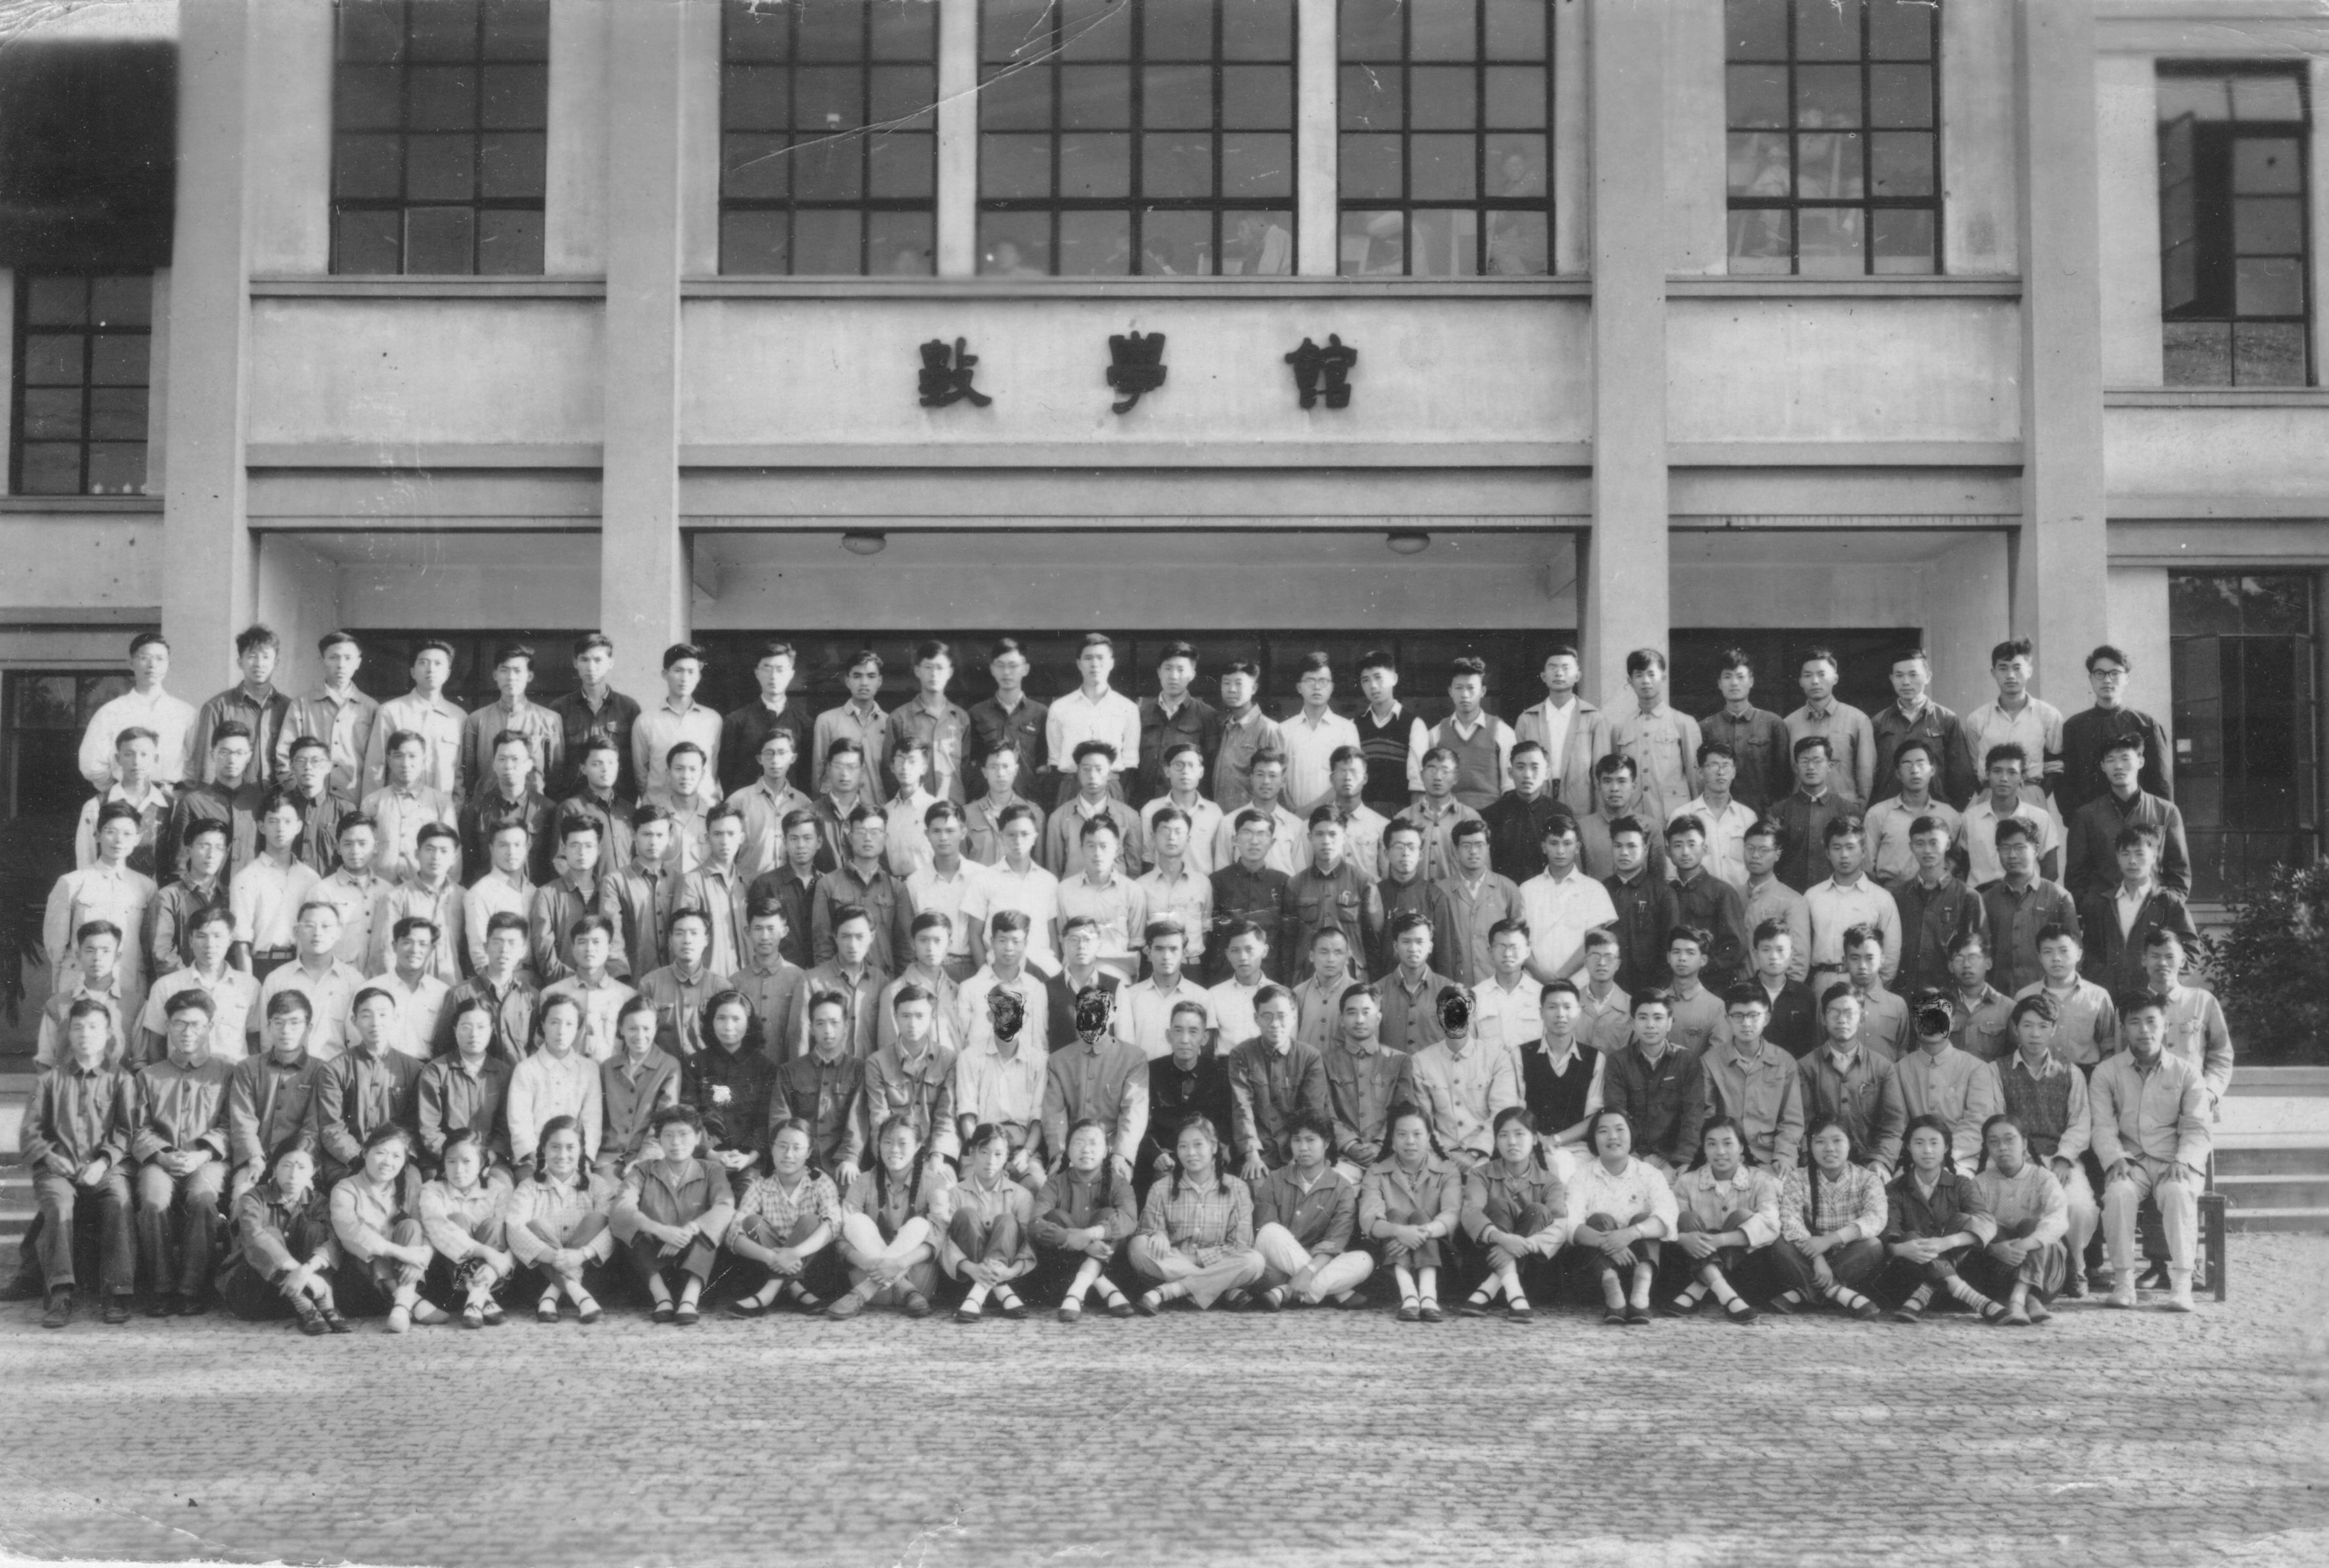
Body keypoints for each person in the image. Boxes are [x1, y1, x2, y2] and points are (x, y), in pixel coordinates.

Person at [2090, 990, 2210, 1311]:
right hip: (2132, 1162)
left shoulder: (2186, 1072)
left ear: (2166, 1026)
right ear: (2123, 1028)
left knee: (2178, 1193)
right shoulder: (2107, 1072)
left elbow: (2198, 1126)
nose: (2144, 1030)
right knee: (2118, 1195)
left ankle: (2182, 1284)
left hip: (2174, 1161)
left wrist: (2183, 1159)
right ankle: (2124, 1282)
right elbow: (2102, 1125)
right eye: (2134, 1022)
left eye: (2151, 1021)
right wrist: (2115, 1157)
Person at [24, 999, 136, 1328]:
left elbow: (126, 1131)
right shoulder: (49, 1080)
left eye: (94, 1027)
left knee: (119, 1199)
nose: (85, 1034)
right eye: (78, 1027)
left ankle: (117, 1292)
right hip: (58, 1168)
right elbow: (30, 1131)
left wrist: (103, 1162)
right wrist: (49, 1156)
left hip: (105, 1168)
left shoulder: (122, 1079)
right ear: (68, 1033)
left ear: (108, 1033)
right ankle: (59, 1294)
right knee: (59, 1204)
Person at [128, 990, 235, 1315]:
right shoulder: (148, 1076)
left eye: (196, 1024)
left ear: (210, 1027)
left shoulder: (227, 1073)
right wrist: (161, 1155)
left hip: (208, 1159)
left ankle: (191, 1288)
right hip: (161, 1160)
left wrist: (202, 1154)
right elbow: (138, 1128)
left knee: (203, 1198)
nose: (188, 1032)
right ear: (168, 1027)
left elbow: (232, 1124)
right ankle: (162, 1287)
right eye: (180, 1024)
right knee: (153, 1199)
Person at [1989, 994, 2100, 1298]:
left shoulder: (2071, 1072)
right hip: (2012, 1158)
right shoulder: (1996, 1070)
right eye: (2027, 1026)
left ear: (2053, 1029)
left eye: (2042, 1026)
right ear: (2016, 1030)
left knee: (2080, 1207)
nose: (2035, 1034)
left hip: (2058, 1158)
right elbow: (1996, 1118)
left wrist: (2064, 1158)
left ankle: (2076, 1267)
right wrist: (2020, 1159)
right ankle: (2020, 1273)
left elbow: (2080, 1123)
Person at [612, 1103, 735, 1325]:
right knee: (630, 1227)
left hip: (696, 1259)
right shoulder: (643, 1170)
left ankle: (690, 1299)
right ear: (659, 1140)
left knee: (712, 1229)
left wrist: (690, 1230)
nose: (676, 1142)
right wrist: (660, 1230)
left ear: (698, 1137)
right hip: (654, 1260)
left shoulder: (712, 1169)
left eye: (684, 1134)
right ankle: (662, 1298)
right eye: (668, 1135)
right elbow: (621, 1207)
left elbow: (725, 1206)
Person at [1875, 1115, 2005, 1324]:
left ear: (1946, 1147)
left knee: (1963, 1219)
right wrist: (1899, 1249)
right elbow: (1887, 1232)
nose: (1927, 1150)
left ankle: (1927, 1291)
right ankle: (1977, 1300)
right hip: (1910, 1280)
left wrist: (1947, 1242)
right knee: (1910, 1237)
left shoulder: (1961, 1184)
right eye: (1919, 1143)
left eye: (1934, 1143)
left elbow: (1987, 1222)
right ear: (1908, 1147)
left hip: (1951, 1284)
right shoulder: (1895, 1189)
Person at [1132, 1115, 1266, 1315]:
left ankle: (1170, 1291)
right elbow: (1148, 1233)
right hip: (1179, 1263)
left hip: (1211, 1263)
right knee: (1138, 1246)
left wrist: (1195, 1258)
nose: (1191, 1153)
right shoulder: (1161, 1188)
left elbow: (1241, 1246)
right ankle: (1222, 1290)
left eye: (1198, 1145)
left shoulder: (1237, 1189)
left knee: (1254, 1261)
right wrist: (1157, 1234)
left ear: (1214, 1147)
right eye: (1183, 1146)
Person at [829, 1115, 955, 1319]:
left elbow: (939, 1237)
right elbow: (842, 1238)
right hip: (875, 1277)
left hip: (917, 1282)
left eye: (903, 1143)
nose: (894, 1149)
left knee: (920, 1224)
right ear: (879, 1145)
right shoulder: (863, 1181)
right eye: (887, 1142)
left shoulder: (934, 1182)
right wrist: (870, 1264)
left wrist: (899, 1263)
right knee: (854, 1222)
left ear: (918, 1147)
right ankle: (902, 1286)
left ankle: (863, 1292)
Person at [218, 1141, 350, 1333]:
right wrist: (300, 1272)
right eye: (286, 1165)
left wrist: (307, 1270)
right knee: (269, 1233)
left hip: (307, 1290)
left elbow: (334, 1241)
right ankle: (303, 1304)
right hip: (254, 1293)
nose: (293, 1174)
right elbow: (254, 1236)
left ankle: (325, 1303)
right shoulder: (253, 1198)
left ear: (313, 1171)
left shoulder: (319, 1203)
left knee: (317, 1229)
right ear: (274, 1167)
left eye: (302, 1167)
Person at [1662, 1116, 1783, 1324]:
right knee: (1686, 1218)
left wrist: (1721, 1240)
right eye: (1712, 1144)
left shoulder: (1761, 1180)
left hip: (1744, 1272)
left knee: (1742, 1216)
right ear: (1704, 1148)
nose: (1720, 1151)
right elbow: (1669, 1223)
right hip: (1691, 1263)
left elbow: (1771, 1226)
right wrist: (1683, 1239)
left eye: (1728, 1143)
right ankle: (1727, 1296)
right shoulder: (1686, 1182)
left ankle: (1699, 1288)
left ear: (1742, 1147)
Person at [1563, 1108, 1676, 1326]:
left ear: (1632, 1134)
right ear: (1594, 1139)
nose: (1612, 1137)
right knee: (1598, 1220)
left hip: (1644, 1265)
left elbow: (1668, 1217)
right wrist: (1608, 1242)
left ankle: (1640, 1297)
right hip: (1599, 1269)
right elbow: (1571, 1225)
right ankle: (1614, 1296)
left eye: (1619, 1129)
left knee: (1644, 1219)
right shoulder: (1581, 1177)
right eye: (1603, 1131)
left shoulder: (1650, 1174)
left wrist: (1630, 1234)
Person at [1766, 1116, 1887, 1318]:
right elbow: (1790, 1220)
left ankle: (1805, 1293)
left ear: (1850, 1143)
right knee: (1779, 1244)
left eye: (1837, 1140)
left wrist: (1830, 1240)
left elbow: (1875, 1219)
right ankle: (1836, 1292)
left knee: (1873, 1246)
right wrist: (1817, 1258)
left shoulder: (1868, 1179)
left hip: (1848, 1255)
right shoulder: (1798, 1177)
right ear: (1810, 1146)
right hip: (1808, 1254)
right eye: (1820, 1141)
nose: (1829, 1148)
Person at [327, 1122, 444, 1331]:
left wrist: (423, 1256)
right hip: (360, 1281)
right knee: (370, 1234)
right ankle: (411, 1301)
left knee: (412, 1226)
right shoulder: (345, 1188)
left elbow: (428, 1226)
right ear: (365, 1153)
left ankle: (401, 1306)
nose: (388, 1162)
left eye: (397, 1156)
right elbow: (350, 1232)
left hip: (403, 1274)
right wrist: (404, 1253)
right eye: (380, 1153)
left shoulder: (407, 1185)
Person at [504, 1115, 620, 1324]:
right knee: (535, 1225)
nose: (562, 1155)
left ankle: (551, 1296)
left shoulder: (597, 1184)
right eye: (555, 1147)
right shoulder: (529, 1187)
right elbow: (514, 1228)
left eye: (570, 1147)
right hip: (540, 1276)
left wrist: (582, 1255)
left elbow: (613, 1229)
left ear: (581, 1150)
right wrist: (552, 1256)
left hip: (587, 1272)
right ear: (543, 1150)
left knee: (597, 1219)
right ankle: (579, 1295)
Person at [1455, 1106, 1566, 1321]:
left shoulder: (1550, 1181)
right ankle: (1514, 1294)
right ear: (1496, 1141)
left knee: (1538, 1211)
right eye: (1504, 1135)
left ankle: (1489, 1289)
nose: (1512, 1142)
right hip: (1486, 1263)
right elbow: (1471, 1213)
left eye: (1519, 1134)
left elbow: (1561, 1226)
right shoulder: (1480, 1174)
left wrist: (1523, 1246)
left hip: (1531, 1278)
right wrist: (1502, 1238)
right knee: (1498, 1205)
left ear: (1535, 1139)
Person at [723, 1119, 844, 1317]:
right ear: (772, 1149)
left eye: (797, 1148)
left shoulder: (820, 1182)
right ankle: (795, 1290)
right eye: (782, 1146)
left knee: (811, 1221)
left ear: (809, 1152)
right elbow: (733, 1233)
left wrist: (794, 1253)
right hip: (767, 1266)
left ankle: (768, 1293)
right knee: (751, 1222)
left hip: (811, 1274)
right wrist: (771, 1257)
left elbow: (834, 1224)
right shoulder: (761, 1185)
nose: (788, 1155)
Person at [1964, 1113, 2072, 1326]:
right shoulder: (1979, 1184)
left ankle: (2018, 1298)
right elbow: (1971, 1227)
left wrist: (2024, 1244)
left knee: (2032, 1225)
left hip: (2045, 1278)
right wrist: (1994, 1250)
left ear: (2024, 1143)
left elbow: (2059, 1218)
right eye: (1994, 1142)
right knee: (1991, 1229)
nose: (2002, 1148)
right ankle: (2029, 1301)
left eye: (2009, 1140)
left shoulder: (2043, 1178)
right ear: (1987, 1147)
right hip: (1999, 1274)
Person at [312, 987, 424, 1189]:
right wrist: (361, 1159)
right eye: (366, 1015)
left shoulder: (414, 1069)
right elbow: (331, 1127)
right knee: (351, 1190)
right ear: (354, 1021)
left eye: (383, 1014)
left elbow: (414, 1126)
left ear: (395, 1018)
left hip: (396, 1160)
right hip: (348, 1162)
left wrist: (394, 1158)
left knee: (411, 1185)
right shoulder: (335, 1069)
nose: (375, 1022)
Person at [46, 802, 158, 1002]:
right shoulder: (72, 883)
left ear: (138, 839)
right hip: (80, 985)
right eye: (110, 832)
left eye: (127, 834)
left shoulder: (147, 888)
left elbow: (149, 946)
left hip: (127, 984)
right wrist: (59, 993)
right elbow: (56, 947)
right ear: (97, 835)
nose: (118, 840)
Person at [1031, 1119, 1140, 1321]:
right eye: (1079, 1143)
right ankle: (1104, 1287)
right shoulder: (1055, 1184)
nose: (1086, 1150)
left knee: (1108, 1214)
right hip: (1064, 1270)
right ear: (1068, 1150)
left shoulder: (1118, 1183)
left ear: (1106, 1151)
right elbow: (1035, 1224)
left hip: (1109, 1264)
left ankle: (1077, 1292)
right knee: (1055, 1216)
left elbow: (1130, 1218)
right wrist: (1073, 1240)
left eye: (1093, 1143)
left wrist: (1091, 1234)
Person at [227, 990, 327, 1202]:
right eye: (278, 1023)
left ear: (308, 1028)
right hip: (255, 1159)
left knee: (301, 1201)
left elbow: (313, 1126)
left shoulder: (321, 1071)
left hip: (298, 1161)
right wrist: (254, 1156)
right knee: (243, 1196)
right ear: (268, 1027)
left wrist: (290, 1163)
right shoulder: (248, 1068)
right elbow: (242, 1120)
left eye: (295, 1023)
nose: (286, 1031)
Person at [2066, 734, 2191, 901]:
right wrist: (2094, 908)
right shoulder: (2086, 816)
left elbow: (2179, 873)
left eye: (2125, 759)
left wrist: (2165, 907)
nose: (2118, 766)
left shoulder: (2166, 811)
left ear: (2141, 762)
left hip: (2153, 907)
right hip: (2103, 909)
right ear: (2103, 766)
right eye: (2111, 760)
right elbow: (2075, 879)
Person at [1798, 983, 1907, 1175]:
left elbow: (1894, 1124)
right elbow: (1803, 1124)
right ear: (1823, 1018)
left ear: (1862, 1018)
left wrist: (1881, 1161)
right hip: (1822, 1164)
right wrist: (1810, 1160)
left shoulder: (1883, 1067)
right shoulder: (1806, 1067)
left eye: (1849, 1013)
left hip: (1869, 1164)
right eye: (1834, 1012)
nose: (1842, 1020)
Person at [2079, 826, 2199, 998]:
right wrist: (2100, 981)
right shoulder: (2103, 903)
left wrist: (2166, 983)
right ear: (2118, 857)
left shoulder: (2167, 902)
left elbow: (2191, 949)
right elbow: (2090, 951)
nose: (2132, 861)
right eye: (2126, 854)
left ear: (2154, 856)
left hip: (2152, 999)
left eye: (2140, 854)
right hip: (2109, 997)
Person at [1409, 985, 1521, 1170]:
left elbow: (1503, 1113)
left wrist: (1474, 1153)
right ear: (1439, 1016)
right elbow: (1423, 1119)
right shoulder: (1421, 1062)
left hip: (1487, 1155)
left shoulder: (1497, 1058)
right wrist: (1444, 1157)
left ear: (1473, 1014)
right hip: (1439, 1156)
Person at [1225, 985, 1330, 1179]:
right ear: (1256, 1019)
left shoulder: (1310, 1057)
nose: (1275, 1024)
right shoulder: (1241, 1054)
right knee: (1257, 1185)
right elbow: (1242, 1107)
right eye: (1267, 1016)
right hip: (1259, 1152)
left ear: (1293, 1017)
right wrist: (1252, 1155)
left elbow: (1312, 1112)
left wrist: (1298, 1157)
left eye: (1282, 1016)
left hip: (1297, 1152)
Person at [1894, 987, 2005, 1171]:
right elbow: (1898, 1123)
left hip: (1961, 1159)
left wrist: (1945, 1156)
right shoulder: (1900, 1069)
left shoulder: (1976, 1068)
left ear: (1952, 1023)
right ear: (1915, 1023)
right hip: (1913, 1159)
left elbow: (1977, 1121)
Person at [2058, 644, 2173, 820]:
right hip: (2090, 823)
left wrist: (2154, 826)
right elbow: (2068, 782)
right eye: (2100, 673)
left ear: (2126, 678)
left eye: (2115, 673)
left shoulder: (2146, 725)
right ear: (2091, 678)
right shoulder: (2074, 726)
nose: (2107, 680)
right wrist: (2076, 821)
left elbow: (2161, 782)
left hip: (2138, 822)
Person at [416, 1128, 516, 1329]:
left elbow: (514, 1232)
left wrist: (499, 1263)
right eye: (451, 1161)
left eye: (467, 1161)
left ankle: (476, 1300)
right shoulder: (432, 1190)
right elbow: (439, 1229)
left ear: (482, 1163)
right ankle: (480, 1297)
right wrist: (486, 1252)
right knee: (456, 1220)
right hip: (452, 1278)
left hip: (494, 1274)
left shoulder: (497, 1190)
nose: (458, 1169)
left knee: (495, 1225)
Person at [1702, 985, 1807, 1171]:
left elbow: (1791, 1119)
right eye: (1738, 1016)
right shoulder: (1711, 1062)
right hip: (1725, 1157)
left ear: (1766, 1018)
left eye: (1753, 1015)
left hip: (1770, 1157)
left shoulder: (1785, 1062)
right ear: (1727, 1019)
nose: (1746, 1023)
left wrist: (1784, 1156)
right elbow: (1706, 1117)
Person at [941, 1123, 1038, 1322]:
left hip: (1009, 1277)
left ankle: (979, 1293)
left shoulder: (1021, 1195)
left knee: (1008, 1221)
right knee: (966, 1215)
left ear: (1007, 1156)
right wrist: (972, 1268)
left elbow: (1029, 1244)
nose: (990, 1161)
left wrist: (1010, 1272)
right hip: (967, 1279)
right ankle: (999, 1292)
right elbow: (945, 1242)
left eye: (998, 1154)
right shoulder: (955, 1194)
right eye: (984, 1152)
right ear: (972, 1152)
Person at [1600, 990, 1705, 1173]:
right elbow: (1616, 1114)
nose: (1650, 1025)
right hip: (1631, 1156)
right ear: (1633, 1023)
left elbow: (1693, 1116)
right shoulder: (1618, 1062)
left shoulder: (1687, 1061)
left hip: (1672, 1158)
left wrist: (1684, 1160)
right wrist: (1629, 1157)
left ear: (1670, 1022)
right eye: (1643, 1018)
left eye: (1658, 1018)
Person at [78, 630, 197, 790]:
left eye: (160, 659)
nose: (152, 665)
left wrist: (181, 792)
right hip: (124, 795)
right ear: (131, 663)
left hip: (172, 796)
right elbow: (92, 765)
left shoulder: (185, 713)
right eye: (144, 658)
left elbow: (196, 762)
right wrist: (117, 792)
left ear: (169, 664)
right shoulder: (110, 712)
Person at [685, 988, 780, 1184]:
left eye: (736, 1019)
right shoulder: (694, 1064)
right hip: (704, 1156)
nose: (728, 1027)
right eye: (721, 1018)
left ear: (749, 1023)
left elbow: (766, 1120)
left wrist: (749, 1158)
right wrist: (711, 1154)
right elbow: (688, 1114)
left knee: (747, 1193)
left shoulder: (765, 1068)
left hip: (750, 1161)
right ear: (711, 1021)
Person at [1962, 638, 2066, 814]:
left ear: (2029, 671)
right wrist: (1989, 792)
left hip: (2031, 794)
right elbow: (1973, 767)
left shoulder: (2049, 715)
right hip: (1990, 796)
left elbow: (2055, 766)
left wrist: (2037, 795)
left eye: (2017, 668)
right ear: (1993, 672)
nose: (2010, 675)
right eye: (2003, 668)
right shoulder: (1977, 719)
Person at [1979, 817, 2079, 998]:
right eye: (2005, 848)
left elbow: (2074, 952)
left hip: (2046, 998)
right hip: (1999, 997)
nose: (2012, 855)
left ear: (2036, 850)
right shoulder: (1987, 899)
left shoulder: (2059, 897)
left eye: (2020, 848)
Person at [417, 998, 515, 1180]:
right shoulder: (436, 1071)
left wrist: (486, 1159)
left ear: (492, 1030)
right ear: (455, 1030)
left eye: (481, 1027)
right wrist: (455, 1160)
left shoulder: (504, 1073)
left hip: (489, 1160)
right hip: (443, 1159)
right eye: (466, 1027)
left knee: (503, 1184)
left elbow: (504, 1129)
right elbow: (429, 1129)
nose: (474, 1034)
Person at [1889, 811, 1985, 995]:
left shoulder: (1967, 896)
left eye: (1934, 843)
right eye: (1920, 843)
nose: (1927, 850)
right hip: (1905, 993)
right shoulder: (1899, 895)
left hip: (1950, 995)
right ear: (1911, 847)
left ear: (1947, 844)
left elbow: (1979, 953)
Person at [1870, 648, 1977, 809]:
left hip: (1935, 812)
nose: (1906, 682)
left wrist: (1949, 812)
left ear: (1927, 677)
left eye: (1913, 675)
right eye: (1899, 676)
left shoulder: (1946, 720)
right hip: (1891, 812)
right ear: (1892, 679)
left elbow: (1962, 776)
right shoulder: (1878, 723)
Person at [1044, 634, 1142, 808]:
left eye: (1100, 658)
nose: (1095, 664)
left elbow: (1130, 762)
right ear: (1079, 664)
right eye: (1088, 658)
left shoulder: (1128, 708)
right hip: (1071, 786)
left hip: (1111, 786)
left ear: (1111, 663)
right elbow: (1055, 760)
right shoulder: (1059, 708)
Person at [1696, 647, 1791, 815]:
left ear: (1751, 681)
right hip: (1719, 814)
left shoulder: (1773, 723)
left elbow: (1784, 778)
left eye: (1741, 677)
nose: (1734, 683)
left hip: (1764, 815)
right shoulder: (1706, 727)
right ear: (1719, 683)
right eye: (1728, 677)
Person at [1956, 744, 2064, 888]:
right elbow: (1966, 866)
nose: (2004, 778)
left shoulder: (2040, 818)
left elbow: (2051, 871)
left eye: (2012, 772)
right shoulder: (1970, 818)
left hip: (2025, 898)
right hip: (1981, 897)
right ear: (1987, 774)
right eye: (1997, 771)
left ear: (2022, 777)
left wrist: (2029, 896)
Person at [601, 995, 684, 1179]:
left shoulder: (669, 1066)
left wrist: (644, 1160)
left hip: (650, 1157)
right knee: (606, 1192)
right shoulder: (607, 1067)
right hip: (609, 1158)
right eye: (632, 1028)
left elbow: (665, 1120)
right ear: (621, 1029)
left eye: (646, 1028)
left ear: (656, 1028)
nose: (640, 1036)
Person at [360, 728, 458, 884]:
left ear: (424, 760)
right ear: (389, 760)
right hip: (380, 887)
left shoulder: (441, 803)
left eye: (413, 756)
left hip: (424, 888)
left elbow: (454, 854)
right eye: (398, 756)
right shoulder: (371, 802)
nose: (406, 764)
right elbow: (362, 849)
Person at [75, 725, 172, 878]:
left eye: (144, 754)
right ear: (118, 758)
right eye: (128, 754)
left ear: (155, 759)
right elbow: (86, 861)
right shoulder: (96, 806)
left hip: (156, 891)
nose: (136, 762)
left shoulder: (170, 806)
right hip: (108, 890)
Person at [142, 816, 231, 983]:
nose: (211, 854)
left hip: (224, 986)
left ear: (226, 853)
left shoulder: (230, 897)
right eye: (204, 846)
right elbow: (162, 952)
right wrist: (193, 983)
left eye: (219, 848)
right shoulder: (168, 897)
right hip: (182, 987)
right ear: (188, 850)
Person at [1785, 648, 1876, 809]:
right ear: (1800, 681)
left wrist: (1859, 810)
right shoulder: (1789, 724)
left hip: (1844, 810)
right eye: (1808, 675)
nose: (1815, 681)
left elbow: (1866, 772)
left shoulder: (1858, 720)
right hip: (1802, 810)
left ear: (1835, 678)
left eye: (1822, 674)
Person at [2018, 923, 2118, 1069]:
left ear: (2079, 954)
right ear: (2039, 957)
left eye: (2064, 951)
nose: (2056, 958)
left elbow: (2109, 1046)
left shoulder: (2098, 996)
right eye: (2048, 952)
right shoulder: (2025, 996)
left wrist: (2099, 1077)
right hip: (2036, 1075)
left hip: (2087, 1075)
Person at [968, 637, 1049, 806]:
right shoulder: (977, 713)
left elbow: (1045, 767)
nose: (1006, 672)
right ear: (992, 669)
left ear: (1026, 669)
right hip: (987, 805)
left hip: (1028, 804)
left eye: (1013, 666)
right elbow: (972, 767)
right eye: (1000, 665)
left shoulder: (1041, 714)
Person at [1481, 740, 1565, 882]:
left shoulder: (1560, 813)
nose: (1527, 775)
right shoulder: (1491, 815)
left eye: (1535, 767)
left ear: (1547, 773)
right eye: (1520, 767)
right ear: (1510, 772)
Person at [1772, 738, 1848, 892]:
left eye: (1818, 761)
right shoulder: (1779, 811)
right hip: (1789, 894)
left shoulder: (1846, 810)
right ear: (1795, 767)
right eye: (1805, 761)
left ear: (1830, 766)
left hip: (1835, 895)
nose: (1811, 767)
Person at [1741, 818, 1811, 980]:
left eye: (1764, 850)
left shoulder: (1792, 901)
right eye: (1750, 848)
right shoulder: (1732, 894)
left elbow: (1798, 961)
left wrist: (1785, 992)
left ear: (1778, 854)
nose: (1755, 855)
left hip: (1775, 989)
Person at [1745, 919, 1819, 1058]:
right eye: (1766, 950)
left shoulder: (1804, 995)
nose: (1774, 957)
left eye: (1780, 950)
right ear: (1755, 953)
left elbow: (1809, 1048)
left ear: (1791, 954)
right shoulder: (1741, 993)